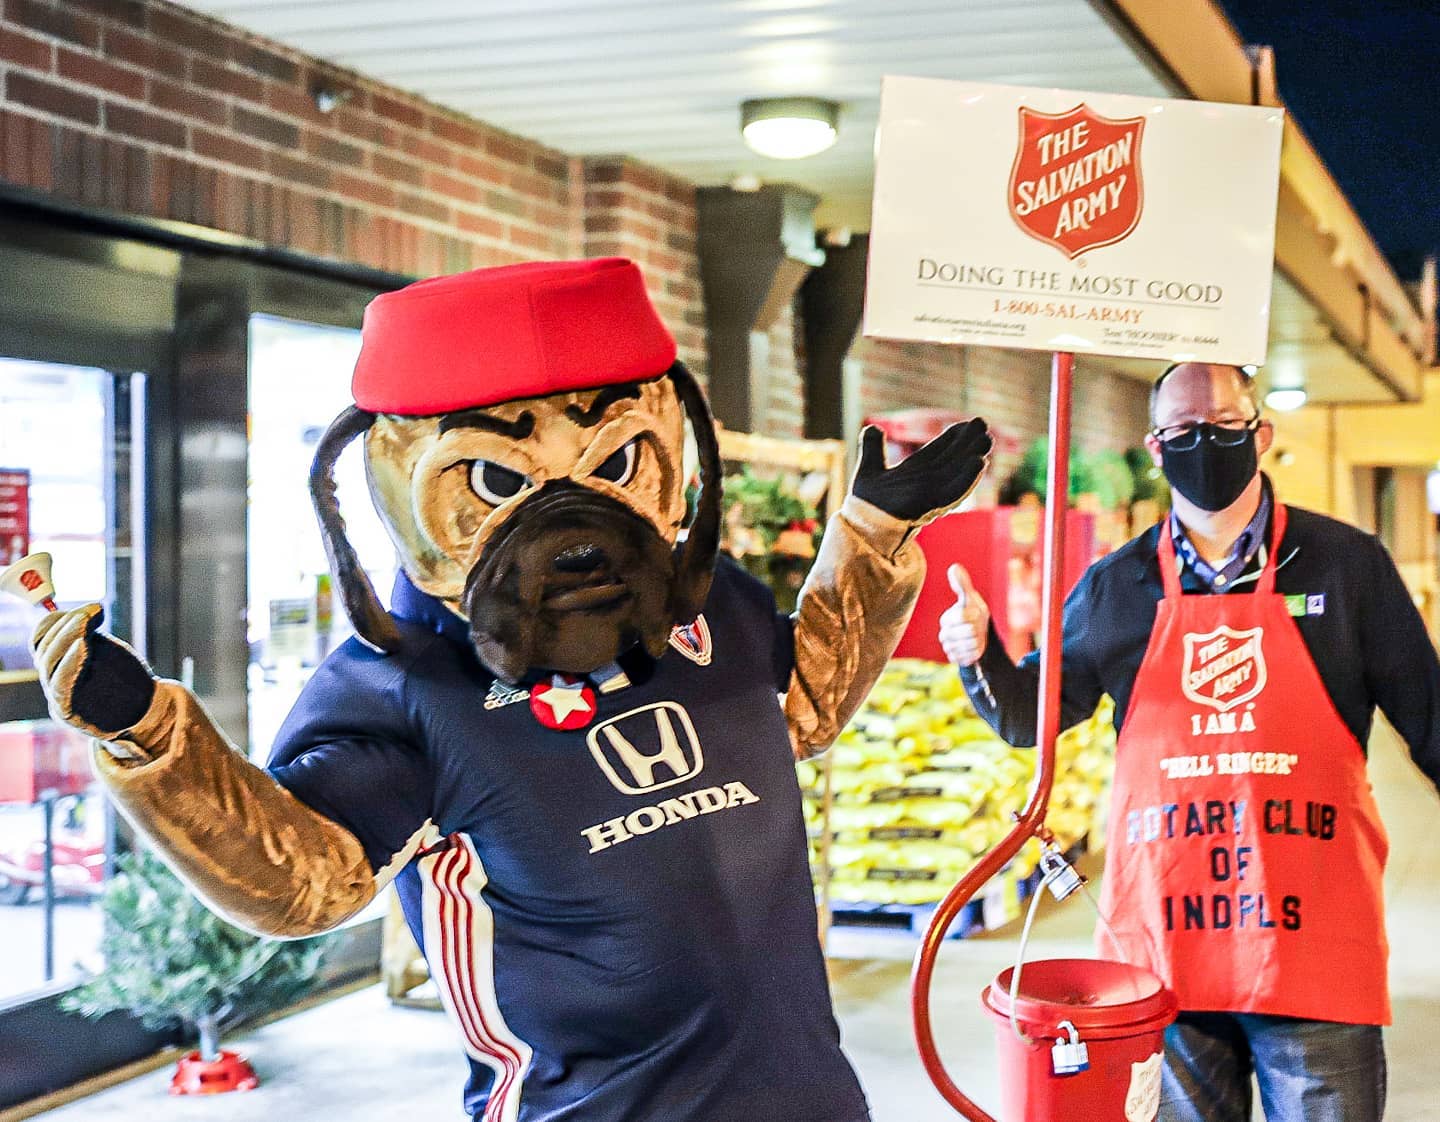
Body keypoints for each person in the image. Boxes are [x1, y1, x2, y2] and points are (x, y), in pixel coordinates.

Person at [939, 361, 1440, 1122]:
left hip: (1314, 951)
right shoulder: (1116, 586)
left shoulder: (1346, 566)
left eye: (1225, 426)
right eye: (1182, 430)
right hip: (1166, 955)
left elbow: (1433, 724)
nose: (1203, 442)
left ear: (1261, 435)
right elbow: (1026, 716)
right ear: (1154, 445)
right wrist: (978, 656)